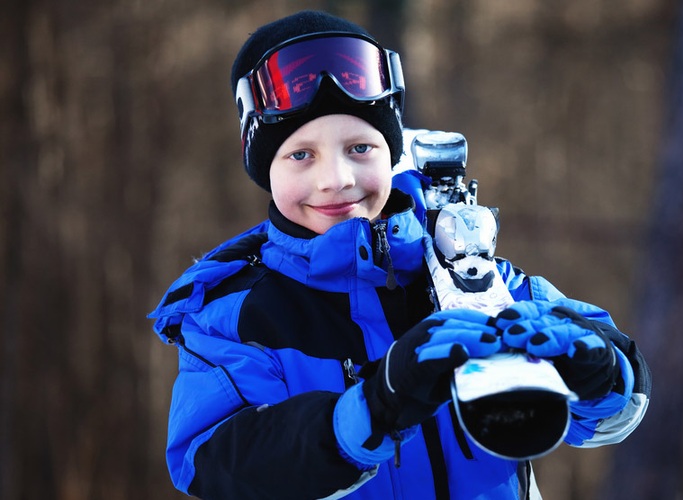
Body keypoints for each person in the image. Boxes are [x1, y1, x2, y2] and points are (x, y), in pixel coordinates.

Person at [149, 10, 651, 500]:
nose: (336, 180)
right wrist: (369, 411)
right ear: (265, 169)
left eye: (361, 148)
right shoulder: (234, 316)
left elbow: (615, 413)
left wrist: (601, 372)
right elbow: (211, 463)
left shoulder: (476, 281)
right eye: (300, 155)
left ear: (392, 152)